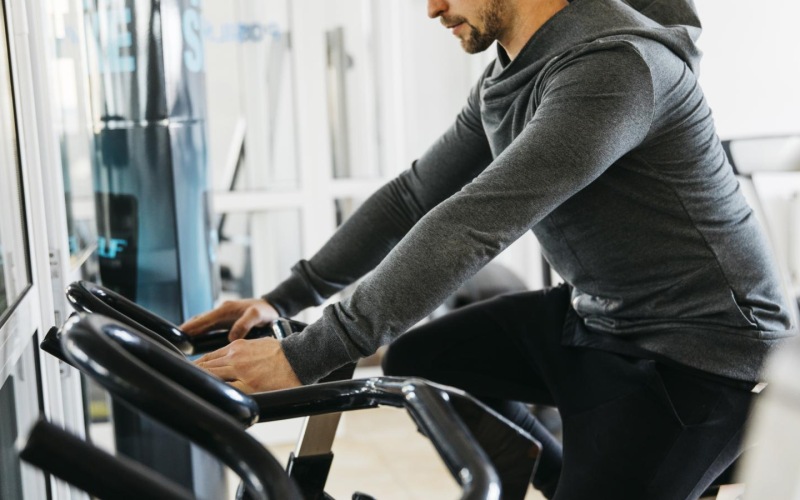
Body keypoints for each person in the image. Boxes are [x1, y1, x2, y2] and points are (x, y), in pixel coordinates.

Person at [183, 0, 796, 497]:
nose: (431, 8)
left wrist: (311, 352)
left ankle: (707, 448)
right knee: (425, 361)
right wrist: (284, 299)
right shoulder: (509, 72)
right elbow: (412, 197)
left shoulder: (617, 68)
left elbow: (475, 223)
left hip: (703, 352)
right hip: (601, 316)